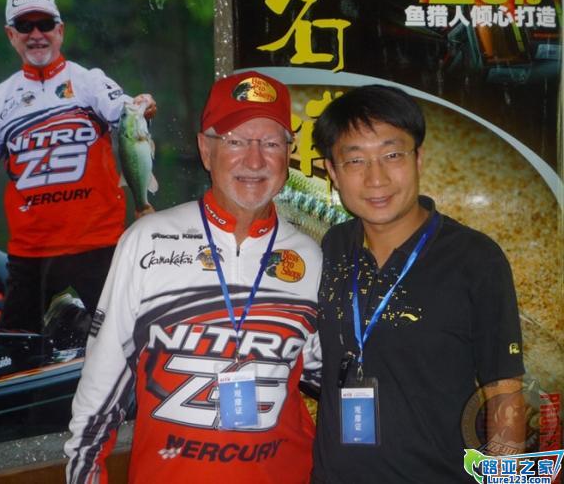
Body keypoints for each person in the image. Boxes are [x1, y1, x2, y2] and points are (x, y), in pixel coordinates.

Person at [65, 70, 322, 484]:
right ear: (206, 149)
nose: (255, 160)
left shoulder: (311, 255)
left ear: (288, 153)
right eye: (235, 141)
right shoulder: (147, 240)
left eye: (271, 143)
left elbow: (332, 375)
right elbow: (100, 388)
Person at [310, 85, 525, 483]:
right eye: (355, 160)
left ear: (418, 158)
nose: (376, 178)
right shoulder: (331, 247)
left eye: (392, 155)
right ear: (333, 173)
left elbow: (504, 391)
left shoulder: (474, 258)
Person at [0, 0, 157, 333]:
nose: (36, 34)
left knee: (127, 338)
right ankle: (60, 319)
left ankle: (71, 320)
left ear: (60, 30)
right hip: (31, 253)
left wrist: (143, 105)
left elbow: (126, 116)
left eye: (45, 24)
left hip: (98, 244)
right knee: (12, 348)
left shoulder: (89, 82)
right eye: (25, 26)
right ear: (11, 35)